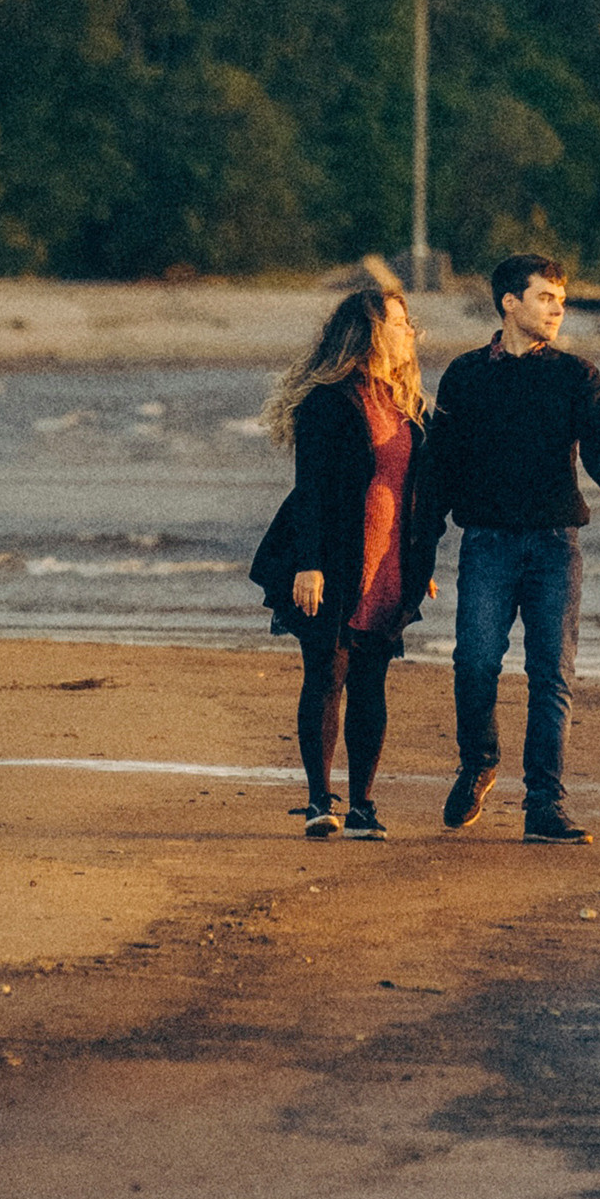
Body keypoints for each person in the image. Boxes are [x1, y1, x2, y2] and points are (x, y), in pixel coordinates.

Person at [420, 251, 600, 842]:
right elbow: (440, 468)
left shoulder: (576, 375)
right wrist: (418, 548)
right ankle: (480, 763)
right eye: (546, 298)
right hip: (486, 542)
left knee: (552, 675)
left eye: (562, 301)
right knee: (475, 662)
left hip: (555, 544)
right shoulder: (465, 375)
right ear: (510, 302)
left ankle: (545, 803)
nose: (557, 310)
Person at [249, 282, 438, 841]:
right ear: (373, 331)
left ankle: (363, 805)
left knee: (372, 679)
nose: (411, 335)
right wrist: (308, 563)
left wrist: (420, 563)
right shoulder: (328, 402)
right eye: (401, 325)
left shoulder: (408, 405)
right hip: (331, 559)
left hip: (389, 561)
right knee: (327, 674)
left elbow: (416, 495)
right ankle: (317, 801)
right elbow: (311, 489)